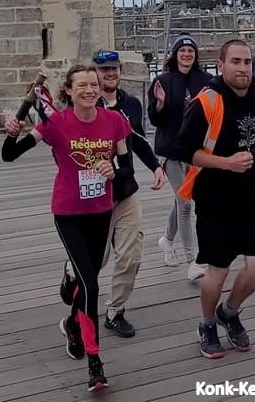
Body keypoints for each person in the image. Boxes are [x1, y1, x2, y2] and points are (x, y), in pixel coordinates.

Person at [2, 64, 131, 393]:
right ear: (69, 92)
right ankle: (95, 364)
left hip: (101, 210)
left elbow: (126, 166)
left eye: (94, 84)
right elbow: (9, 156)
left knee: (85, 281)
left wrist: (112, 167)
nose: (90, 90)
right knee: (92, 286)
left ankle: (73, 317)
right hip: (68, 212)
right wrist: (12, 131)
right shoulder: (56, 124)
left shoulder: (115, 122)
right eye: (82, 85)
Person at [175, 39, 255, 359]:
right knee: (217, 272)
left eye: (247, 62)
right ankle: (206, 323)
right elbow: (182, 150)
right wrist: (226, 162)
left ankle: (229, 312)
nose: (243, 68)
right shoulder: (207, 102)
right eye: (235, 62)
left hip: (254, 196)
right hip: (215, 199)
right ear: (220, 65)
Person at [90, 49, 167, 338]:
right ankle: (72, 275)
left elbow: (137, 139)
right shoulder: (86, 103)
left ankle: (115, 311)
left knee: (131, 254)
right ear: (94, 72)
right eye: (104, 69)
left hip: (125, 188)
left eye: (114, 69)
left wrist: (155, 167)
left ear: (120, 70)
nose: (110, 74)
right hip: (94, 194)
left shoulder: (131, 104)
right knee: (97, 257)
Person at [147, 33, 214, 280]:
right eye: (182, 51)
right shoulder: (162, 81)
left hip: (195, 151)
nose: (186, 55)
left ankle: (167, 239)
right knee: (185, 203)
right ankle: (192, 261)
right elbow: (154, 119)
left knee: (181, 198)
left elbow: (214, 111)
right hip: (171, 150)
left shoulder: (206, 80)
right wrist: (161, 103)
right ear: (175, 55)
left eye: (191, 51)